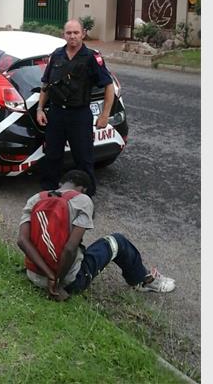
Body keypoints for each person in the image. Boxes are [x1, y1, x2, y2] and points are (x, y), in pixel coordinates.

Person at [17, 170, 175, 301]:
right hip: (67, 282)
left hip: (35, 276)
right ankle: (143, 280)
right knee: (118, 241)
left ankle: (49, 275)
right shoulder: (83, 200)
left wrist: (49, 275)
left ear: (60, 184)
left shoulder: (36, 199)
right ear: (84, 189)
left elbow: (22, 241)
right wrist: (56, 282)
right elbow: (70, 248)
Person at [36, 19, 115, 192]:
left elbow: (109, 86)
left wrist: (105, 115)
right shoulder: (56, 55)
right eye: (69, 33)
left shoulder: (92, 58)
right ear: (63, 35)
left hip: (79, 115)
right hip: (56, 114)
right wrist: (40, 109)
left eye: (76, 32)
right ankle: (49, 194)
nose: (72, 36)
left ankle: (85, 196)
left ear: (83, 34)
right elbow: (46, 84)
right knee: (52, 156)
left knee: (84, 159)